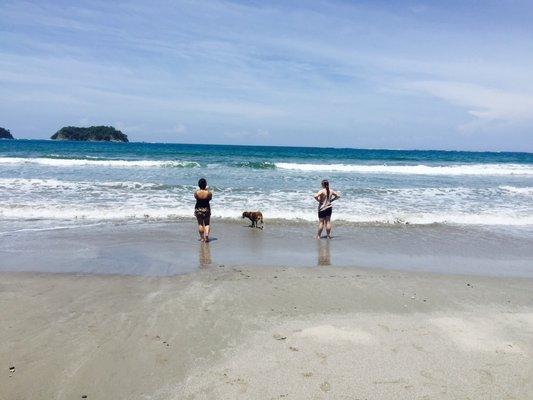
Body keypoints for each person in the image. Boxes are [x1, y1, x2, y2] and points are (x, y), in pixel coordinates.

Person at [194, 178, 212, 242]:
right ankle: (206, 236)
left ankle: (202, 238)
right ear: (205, 184)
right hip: (206, 208)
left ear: (199, 185)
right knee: (207, 224)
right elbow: (210, 199)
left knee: (200, 224)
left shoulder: (196, 192)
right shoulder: (208, 193)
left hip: (198, 209)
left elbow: (196, 198)